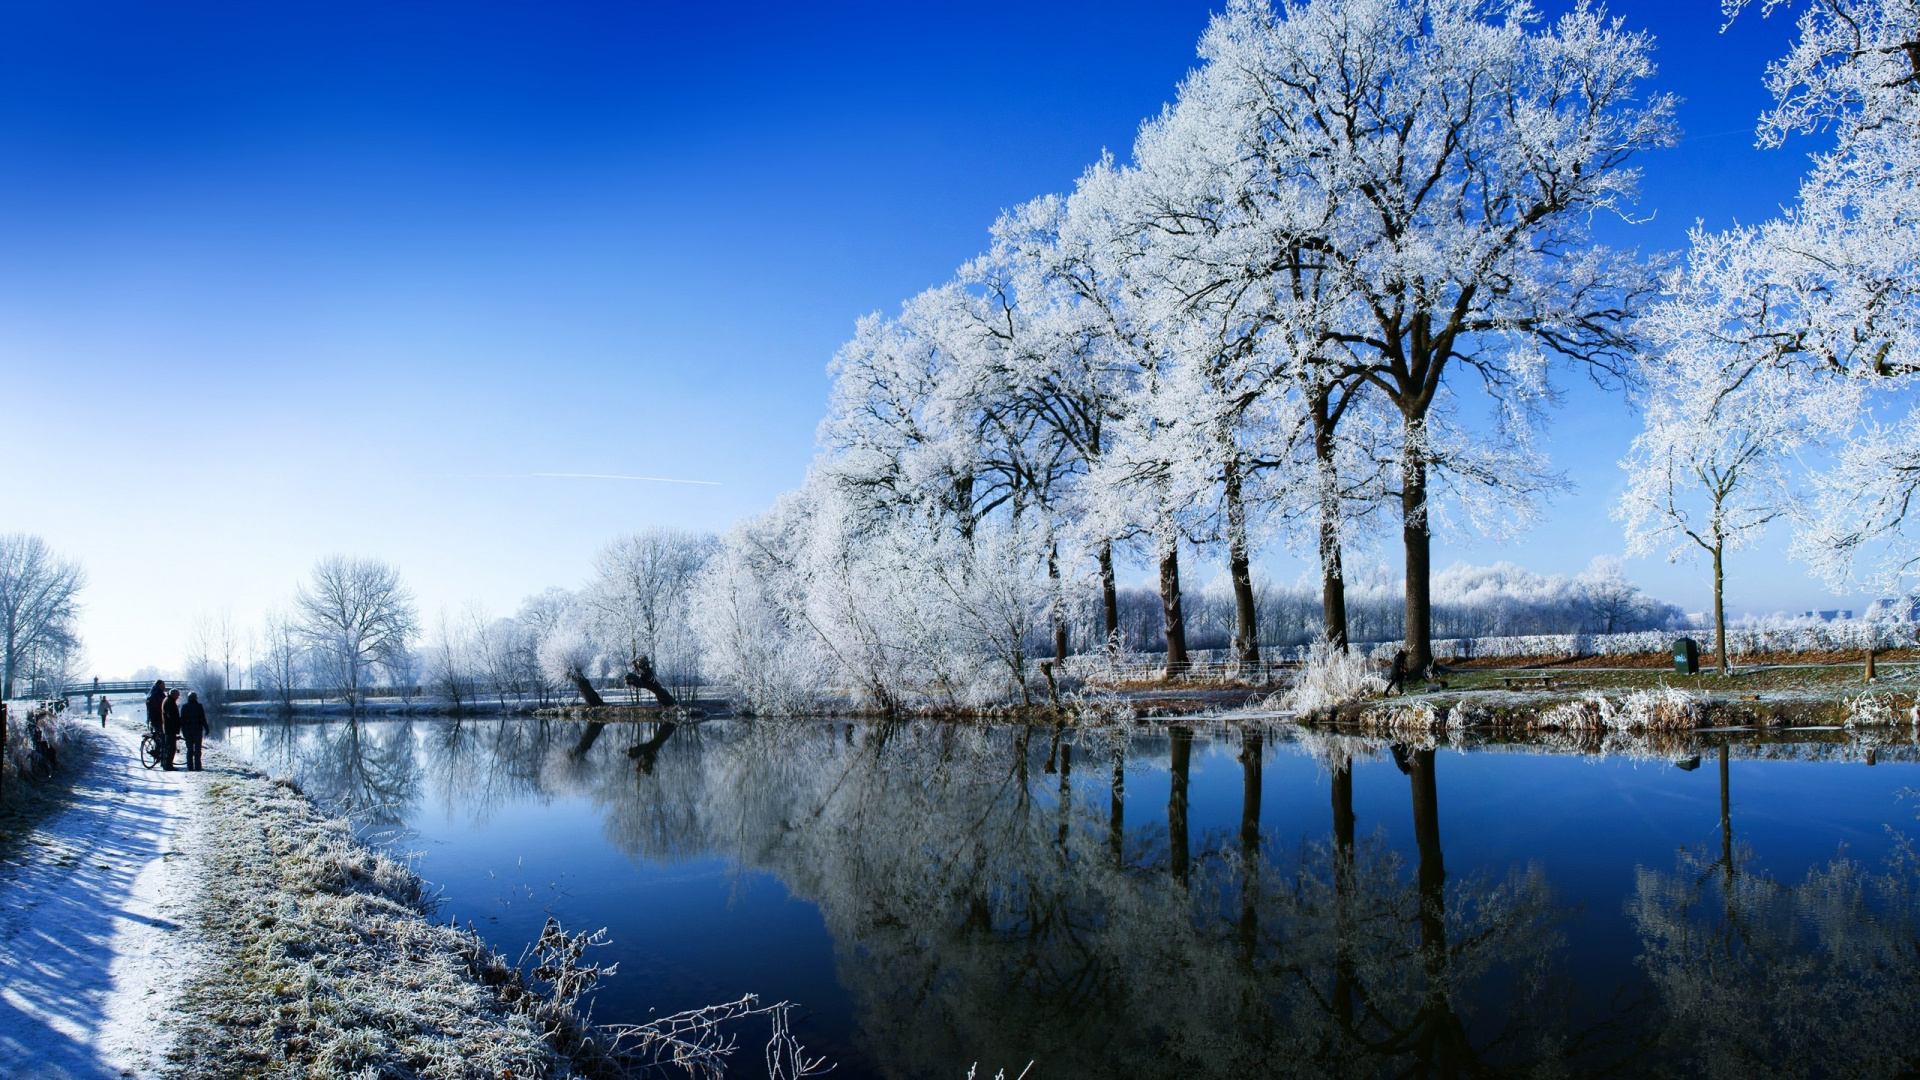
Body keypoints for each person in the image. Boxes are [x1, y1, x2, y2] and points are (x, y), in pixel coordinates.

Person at [179, 691, 207, 772]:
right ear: (195, 698)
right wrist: (206, 728)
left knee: (189, 749)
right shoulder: (199, 706)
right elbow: (202, 718)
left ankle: (190, 767)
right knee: (198, 749)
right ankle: (198, 766)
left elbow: (182, 720)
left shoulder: (184, 707)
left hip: (188, 731)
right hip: (197, 730)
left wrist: (182, 730)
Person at [145, 680, 169, 769]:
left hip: (152, 720)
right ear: (159, 685)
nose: (164, 686)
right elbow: (163, 706)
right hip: (159, 719)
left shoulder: (150, 694)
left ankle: (157, 756)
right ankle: (163, 761)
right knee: (163, 739)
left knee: (157, 738)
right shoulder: (159, 694)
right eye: (163, 685)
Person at [162, 687, 182, 771]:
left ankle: (166, 764)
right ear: (173, 695)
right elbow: (172, 716)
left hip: (167, 727)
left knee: (168, 747)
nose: (178, 698)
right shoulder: (170, 702)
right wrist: (178, 722)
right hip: (170, 728)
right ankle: (168, 765)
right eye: (177, 696)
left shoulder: (167, 700)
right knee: (171, 747)